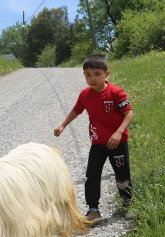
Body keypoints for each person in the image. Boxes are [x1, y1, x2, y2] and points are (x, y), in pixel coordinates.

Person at [53, 55, 134, 223]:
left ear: (107, 74)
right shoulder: (85, 95)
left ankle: (128, 203)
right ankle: (93, 209)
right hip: (98, 143)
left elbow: (129, 114)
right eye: (88, 75)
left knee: (122, 173)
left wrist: (118, 132)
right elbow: (76, 110)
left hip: (117, 143)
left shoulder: (116, 93)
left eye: (97, 74)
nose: (92, 79)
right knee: (92, 174)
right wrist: (63, 125)